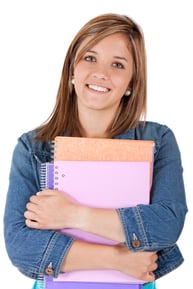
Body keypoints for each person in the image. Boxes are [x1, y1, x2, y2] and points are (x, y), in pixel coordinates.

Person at [3, 13, 187, 289]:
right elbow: (20, 246)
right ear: (71, 70)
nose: (101, 73)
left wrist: (72, 215)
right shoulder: (34, 147)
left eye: (118, 64)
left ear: (132, 83)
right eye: (90, 58)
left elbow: (166, 225)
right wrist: (117, 259)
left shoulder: (158, 140)